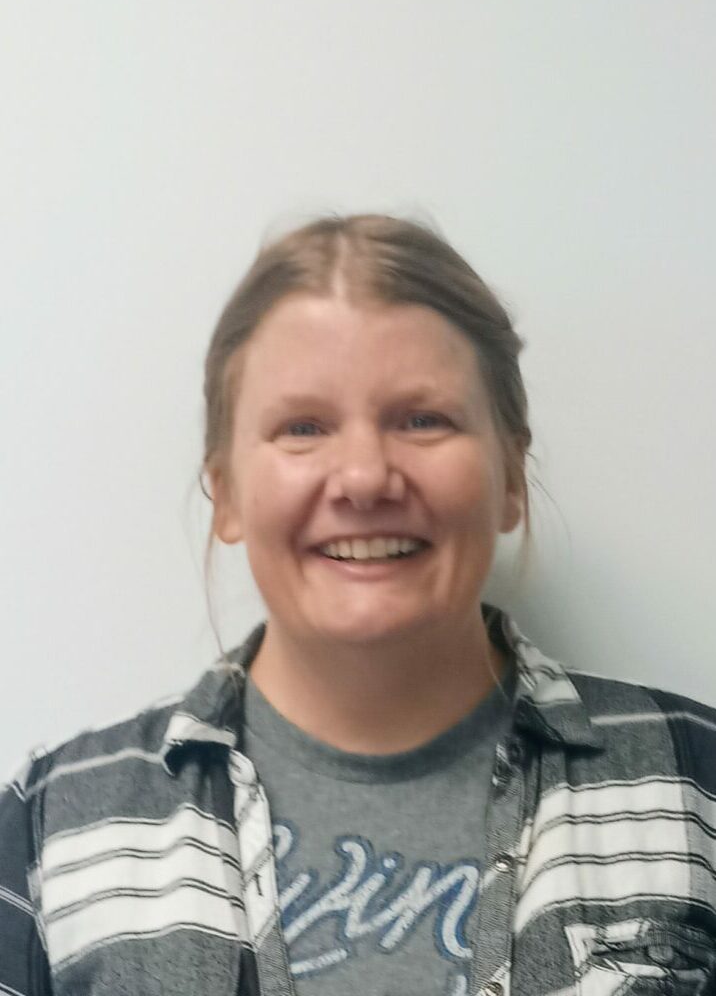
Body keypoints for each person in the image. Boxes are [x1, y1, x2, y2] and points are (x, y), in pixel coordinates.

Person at [1, 214, 715, 996]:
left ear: (511, 474)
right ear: (227, 490)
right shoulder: (50, 825)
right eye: (303, 428)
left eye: (423, 419)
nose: (366, 476)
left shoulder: (696, 783)